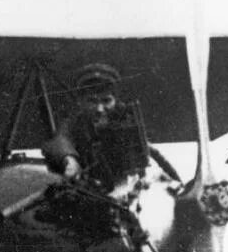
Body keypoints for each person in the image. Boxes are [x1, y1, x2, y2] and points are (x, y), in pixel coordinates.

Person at [42, 63, 151, 194]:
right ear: (81, 102)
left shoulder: (127, 119)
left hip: (127, 189)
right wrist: (69, 159)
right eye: (92, 101)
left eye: (106, 101)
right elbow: (60, 140)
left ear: (116, 101)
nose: (99, 109)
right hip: (90, 191)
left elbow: (148, 154)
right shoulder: (76, 121)